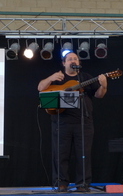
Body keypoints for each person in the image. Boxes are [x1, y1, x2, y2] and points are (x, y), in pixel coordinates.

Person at [38, 52, 107, 192]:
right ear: (64, 63)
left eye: (75, 58)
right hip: (61, 123)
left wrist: (104, 85)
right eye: (70, 59)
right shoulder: (58, 78)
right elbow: (40, 88)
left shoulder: (85, 77)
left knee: (84, 154)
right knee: (61, 154)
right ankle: (61, 183)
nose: (73, 60)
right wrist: (51, 78)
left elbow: (99, 95)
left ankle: (83, 184)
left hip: (84, 123)